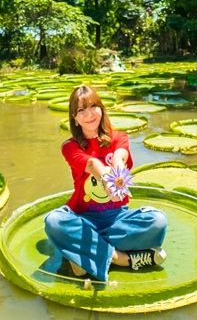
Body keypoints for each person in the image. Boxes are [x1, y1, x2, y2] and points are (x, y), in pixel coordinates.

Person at [44, 86, 168, 281]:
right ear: (74, 118)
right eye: (81, 110)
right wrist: (106, 179)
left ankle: (83, 252)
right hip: (83, 218)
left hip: (117, 219)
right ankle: (122, 259)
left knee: (158, 220)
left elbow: (120, 156)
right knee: (54, 222)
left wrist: (117, 174)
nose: (89, 114)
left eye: (93, 106)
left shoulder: (119, 137)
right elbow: (92, 164)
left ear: (101, 109)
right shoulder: (70, 146)